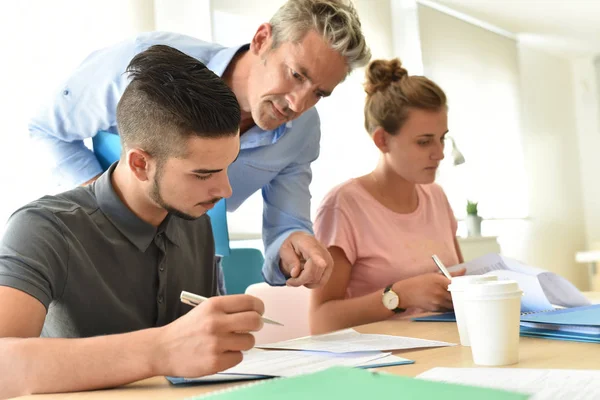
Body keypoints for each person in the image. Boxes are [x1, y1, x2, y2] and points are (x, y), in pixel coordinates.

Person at [28, 0, 371, 288]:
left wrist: (295, 249)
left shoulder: (303, 130)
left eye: (319, 93)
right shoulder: (143, 63)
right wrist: (104, 210)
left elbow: (286, 226)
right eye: (297, 75)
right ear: (262, 39)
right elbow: (47, 129)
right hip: (105, 261)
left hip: (197, 274)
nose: (297, 104)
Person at [0, 45, 267, 398]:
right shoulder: (43, 228)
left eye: (227, 166)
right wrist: (161, 349)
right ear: (140, 163)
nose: (226, 190)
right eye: (203, 174)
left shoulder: (194, 220)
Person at [309, 58, 465, 334]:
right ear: (382, 140)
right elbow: (321, 321)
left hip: (447, 346)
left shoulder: (437, 197)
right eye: (424, 141)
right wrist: (400, 295)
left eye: (442, 138)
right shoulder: (343, 206)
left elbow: (459, 278)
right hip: (384, 362)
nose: (439, 153)